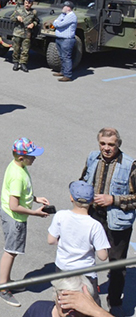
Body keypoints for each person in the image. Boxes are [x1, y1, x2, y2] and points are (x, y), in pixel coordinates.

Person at [79, 127, 136, 310]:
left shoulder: (130, 165)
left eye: (111, 144)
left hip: (117, 223)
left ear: (118, 144)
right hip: (93, 217)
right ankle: (85, 298)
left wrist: (113, 199)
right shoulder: (92, 158)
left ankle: (115, 303)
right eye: (103, 143)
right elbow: (82, 181)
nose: (106, 148)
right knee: (84, 257)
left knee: (117, 266)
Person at [0, 137, 51, 307]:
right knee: (11, 251)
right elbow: (14, 205)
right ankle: (2, 287)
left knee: (12, 249)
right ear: (21, 157)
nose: (35, 158)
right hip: (15, 219)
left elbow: (19, 194)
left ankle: (7, 281)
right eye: (32, 155)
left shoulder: (17, 166)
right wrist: (34, 213)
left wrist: (34, 198)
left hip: (11, 215)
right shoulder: (18, 175)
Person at [47, 181, 109, 288]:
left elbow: (51, 240)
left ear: (71, 198)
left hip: (63, 268)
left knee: (62, 299)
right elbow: (103, 256)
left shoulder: (60, 215)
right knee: (88, 302)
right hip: (86, 273)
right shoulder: (95, 225)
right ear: (92, 201)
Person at [22, 276, 107, 317]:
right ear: (56, 296)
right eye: (66, 302)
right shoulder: (38, 309)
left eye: (78, 306)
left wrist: (97, 311)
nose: (71, 312)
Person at [52, 1, 78, 82]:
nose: (62, 8)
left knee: (66, 57)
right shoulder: (64, 15)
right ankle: (63, 72)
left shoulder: (71, 16)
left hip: (67, 39)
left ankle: (68, 75)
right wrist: (57, 22)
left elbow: (59, 24)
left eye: (64, 6)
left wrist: (57, 22)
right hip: (60, 38)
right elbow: (55, 22)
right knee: (62, 57)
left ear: (69, 8)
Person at [11, 0, 39, 71]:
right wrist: (17, 18)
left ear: (31, 4)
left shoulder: (33, 12)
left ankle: (23, 63)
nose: (27, 5)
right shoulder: (19, 10)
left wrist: (33, 24)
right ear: (24, 3)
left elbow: (37, 21)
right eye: (26, 3)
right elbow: (11, 18)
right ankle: (16, 63)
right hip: (18, 32)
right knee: (16, 49)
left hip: (27, 33)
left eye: (29, 3)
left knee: (25, 50)